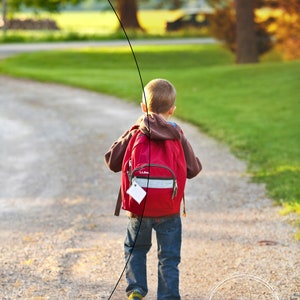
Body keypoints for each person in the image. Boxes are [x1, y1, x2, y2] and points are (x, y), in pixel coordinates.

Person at [104, 78, 202, 300]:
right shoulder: (178, 134)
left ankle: (136, 289)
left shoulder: (137, 132)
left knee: (135, 249)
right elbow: (193, 169)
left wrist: (132, 129)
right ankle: (168, 296)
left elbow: (112, 161)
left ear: (142, 108)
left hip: (139, 208)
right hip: (169, 209)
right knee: (168, 257)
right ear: (172, 110)